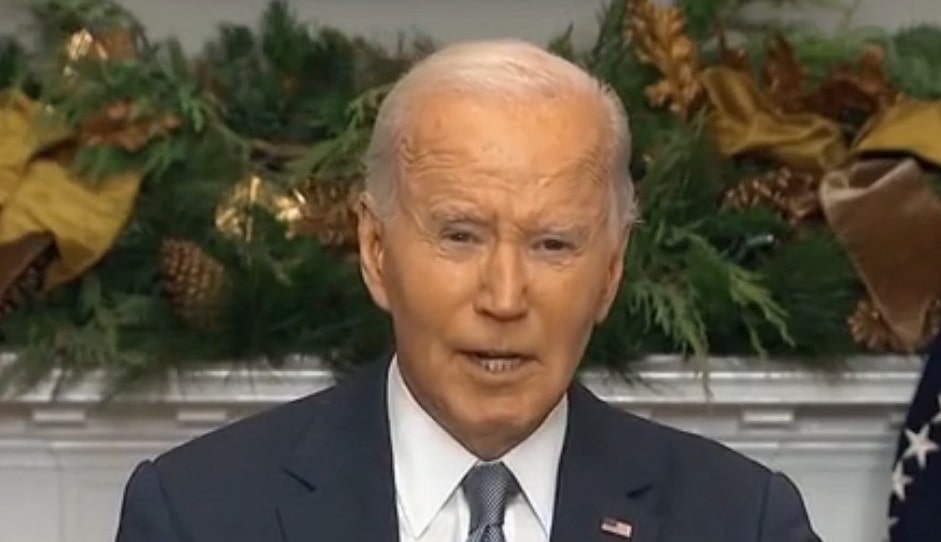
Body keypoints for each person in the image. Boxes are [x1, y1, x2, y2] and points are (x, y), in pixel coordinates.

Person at [114, 39, 821, 542]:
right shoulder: (196, 514)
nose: (504, 297)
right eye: (460, 237)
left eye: (552, 244)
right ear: (374, 249)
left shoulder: (741, 520)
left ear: (608, 274)